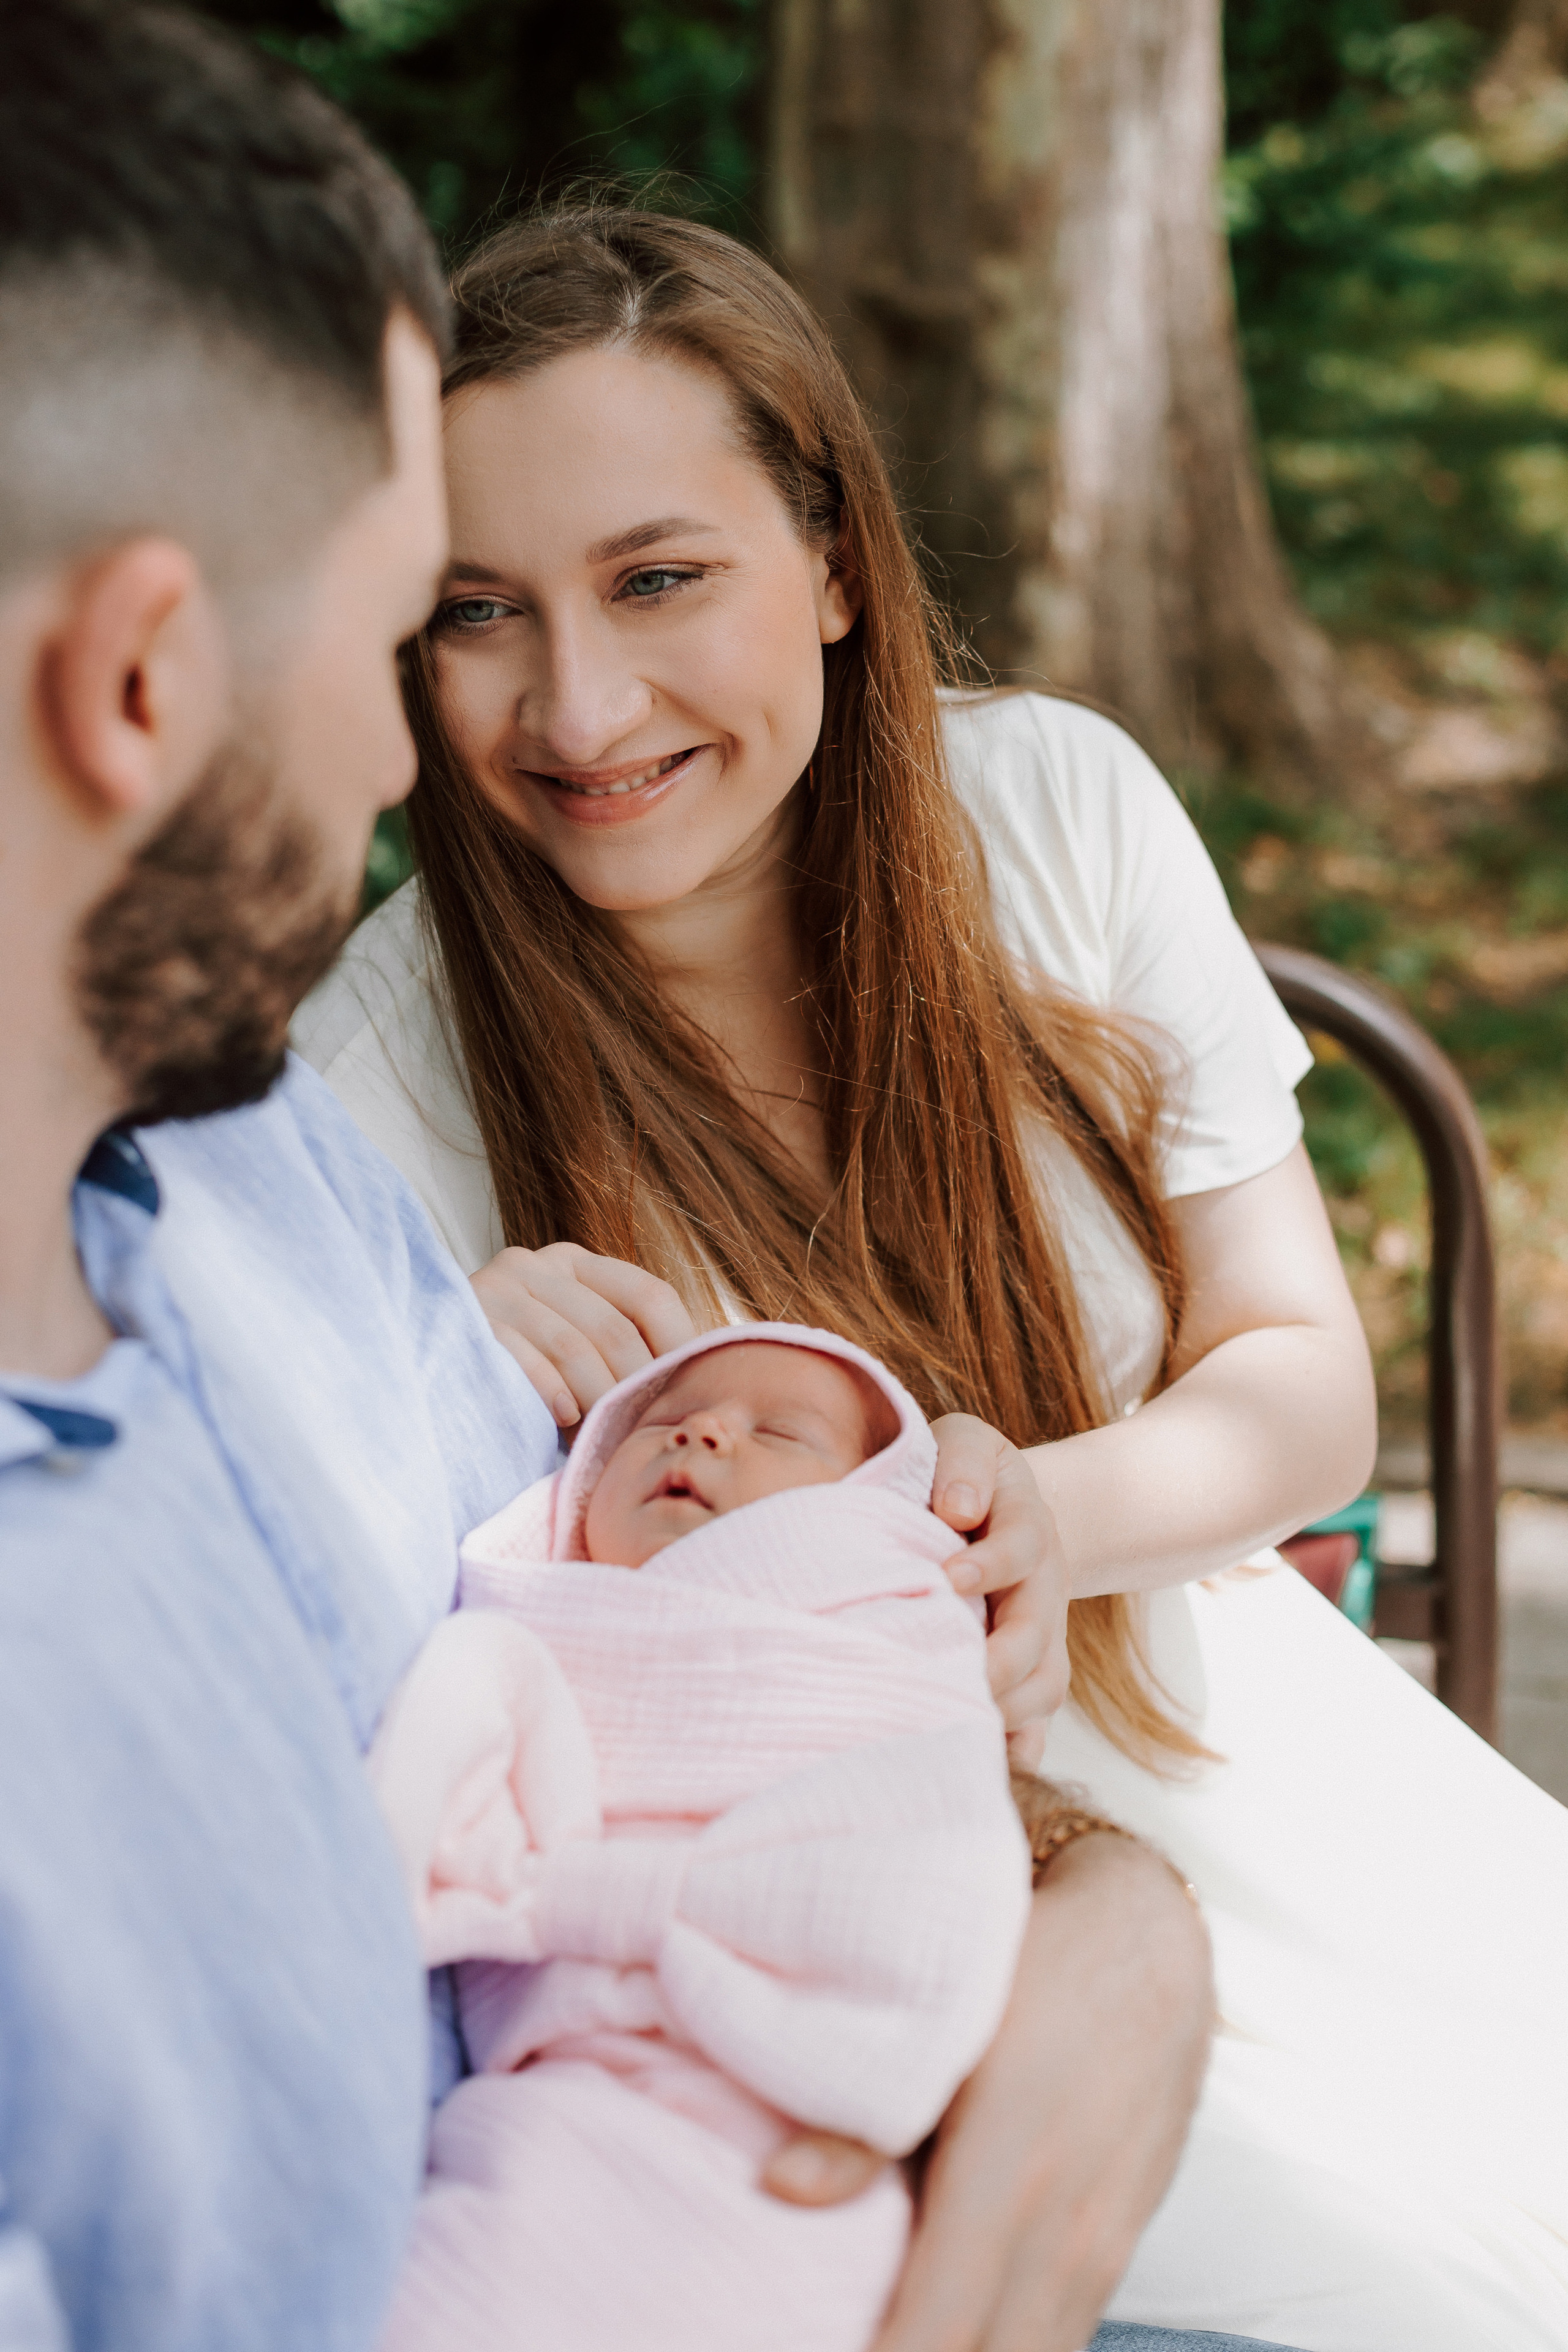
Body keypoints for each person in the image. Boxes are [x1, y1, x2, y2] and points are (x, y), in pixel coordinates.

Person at [0, 9, 1256, 2352]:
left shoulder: (278, 1202)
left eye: (657, 582)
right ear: (143, 681)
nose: (484, 743)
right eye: (425, 623)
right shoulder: (368, 1094)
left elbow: (753, 1685)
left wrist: (1108, 1947)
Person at [299, 201, 1568, 2351]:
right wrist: (412, 1356)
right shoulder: (377, 1056)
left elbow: (1300, 1377)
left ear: (836, 568)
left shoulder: (1055, 813)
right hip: (792, 1951)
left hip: (1230, 1744)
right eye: (477, 612)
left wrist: (1045, 1520)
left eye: (660, 577)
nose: (580, 703)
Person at [368, 1324, 1033, 2351]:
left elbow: (939, 1854)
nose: (708, 1430)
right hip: (551, 2107)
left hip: (795, 2140)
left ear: (865, 1524)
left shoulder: (887, 1647)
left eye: (783, 1433)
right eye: (664, 1420)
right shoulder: (502, 1648)